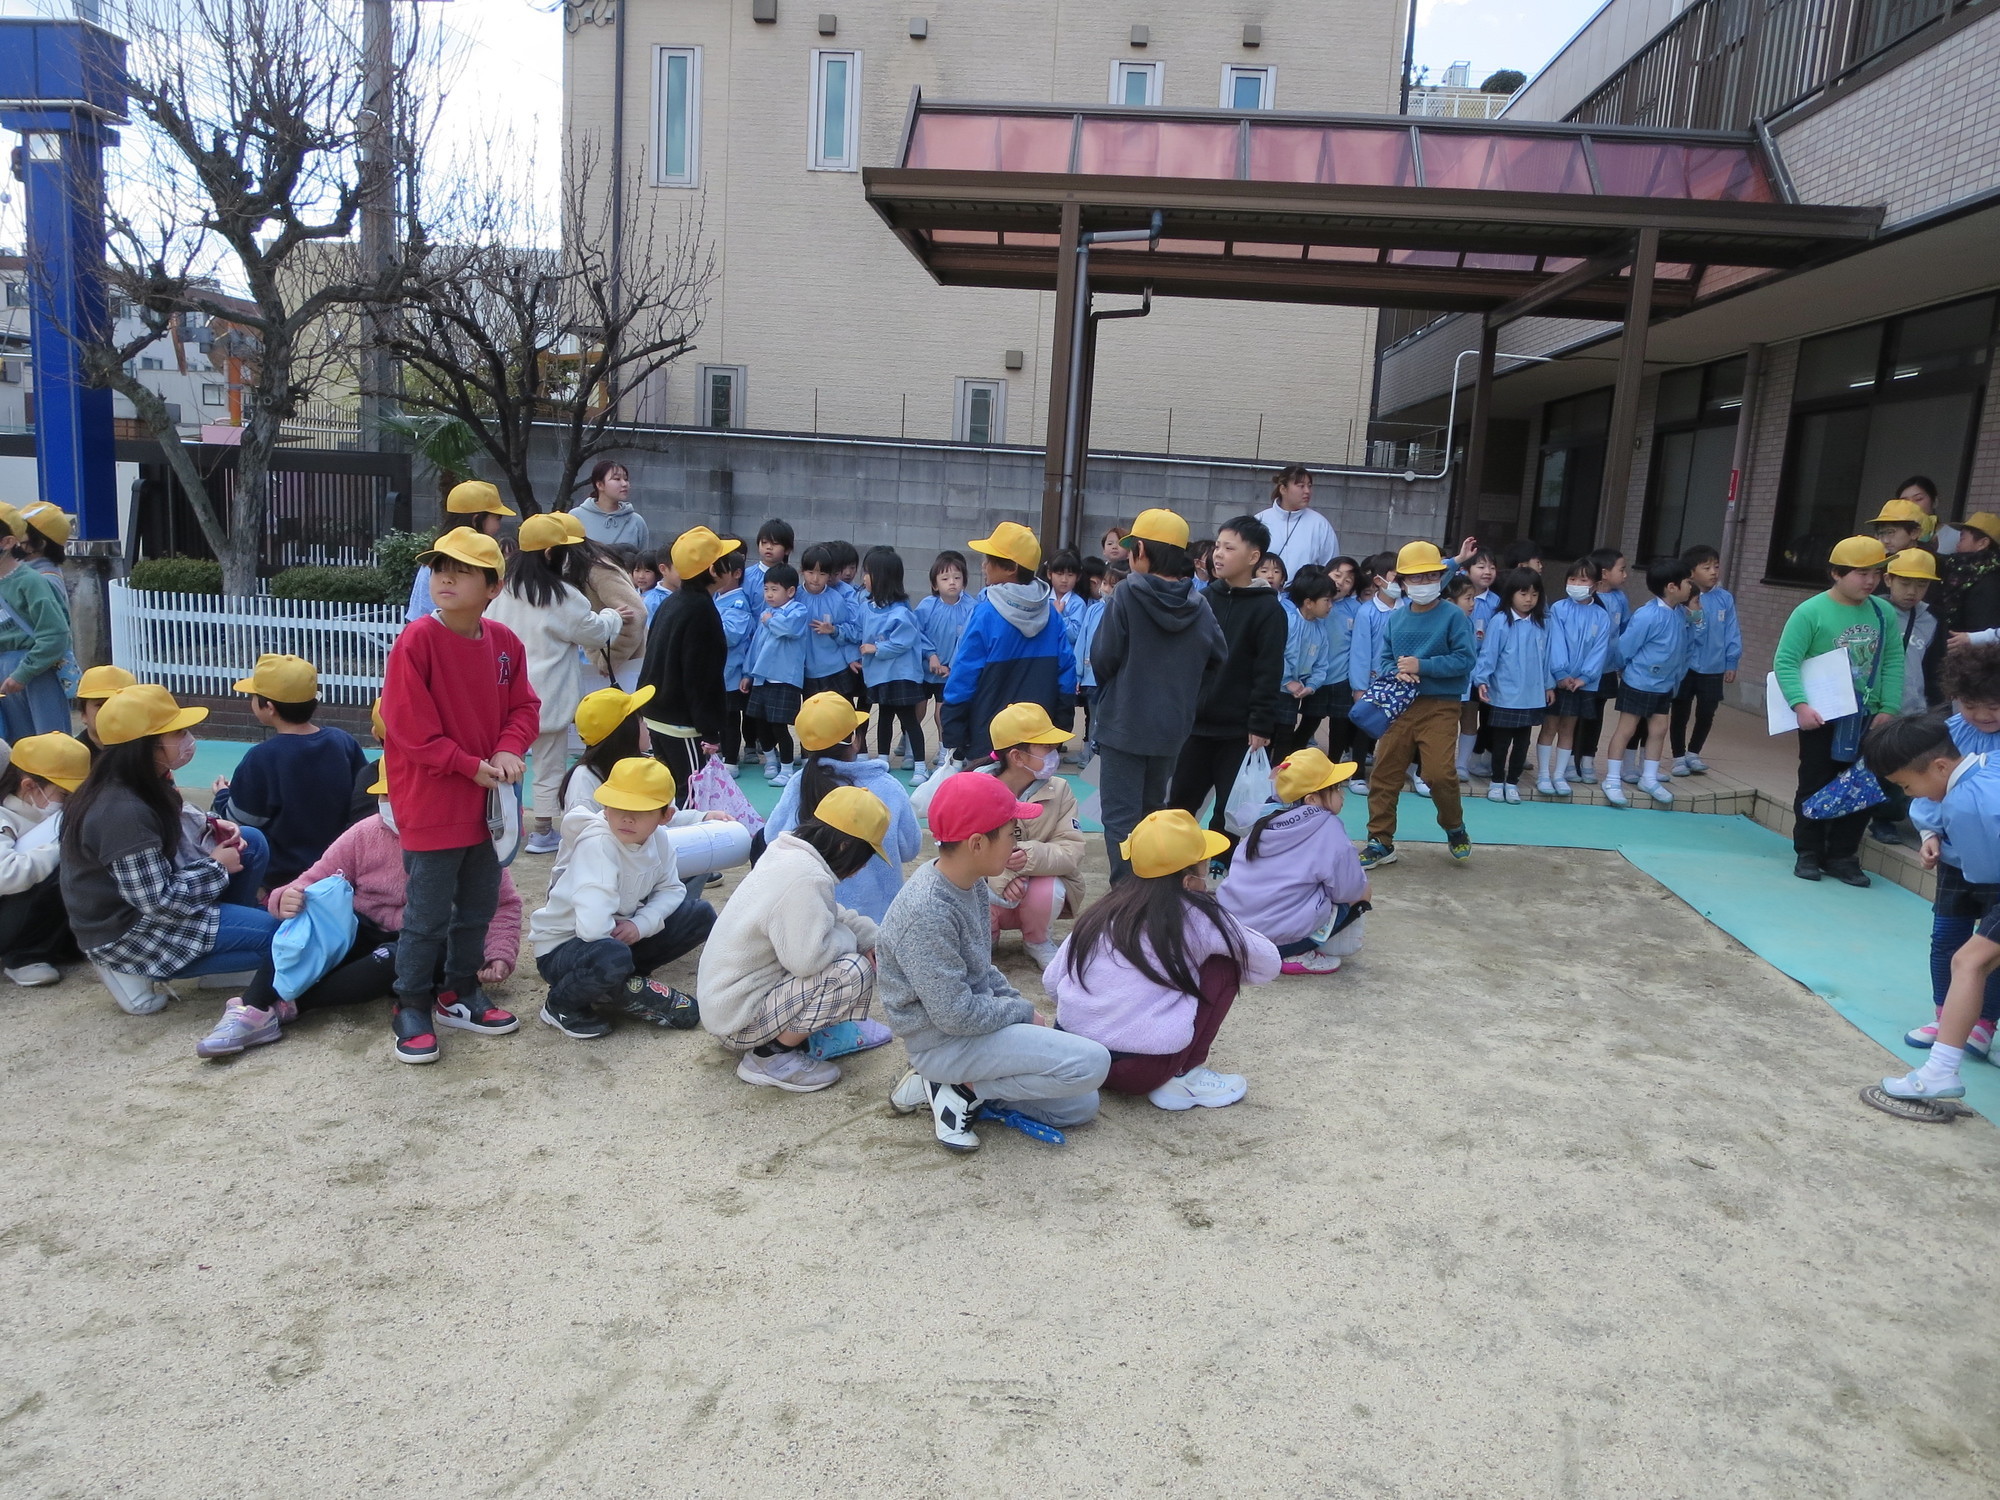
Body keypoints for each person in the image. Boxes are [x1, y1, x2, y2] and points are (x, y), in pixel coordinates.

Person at [194, 763, 526, 1060]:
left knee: (401, 956)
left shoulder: (467, 839)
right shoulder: (365, 833)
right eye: (386, 796)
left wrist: (498, 951)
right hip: (362, 927)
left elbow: (503, 903)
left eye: (402, 795)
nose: (392, 804)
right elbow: (313, 879)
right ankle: (251, 1007)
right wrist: (284, 897)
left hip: (426, 942)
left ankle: (294, 1004)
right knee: (302, 923)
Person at [881, 771, 1111, 1152]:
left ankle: (958, 1088)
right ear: (976, 843)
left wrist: (1018, 1009)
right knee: (1093, 1063)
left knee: (1080, 1104)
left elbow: (982, 968)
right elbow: (954, 1015)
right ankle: (959, 1087)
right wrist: (1021, 1013)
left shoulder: (969, 882)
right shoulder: (927, 911)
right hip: (944, 1044)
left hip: (972, 1031)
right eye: (1011, 833)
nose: (1017, 842)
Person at [379, 525, 540, 1063]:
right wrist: (468, 765)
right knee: (425, 914)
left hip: (489, 803)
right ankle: (410, 1002)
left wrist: (509, 748)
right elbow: (408, 727)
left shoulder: (505, 644)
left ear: (494, 587)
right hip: (432, 801)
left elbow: (525, 707)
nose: (445, 579)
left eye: (463, 571)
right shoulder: (417, 640)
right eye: (440, 569)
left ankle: (460, 991)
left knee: (477, 906)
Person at [60, 685, 278, 1016]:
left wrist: (214, 826)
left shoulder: (140, 781)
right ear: (145, 746)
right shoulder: (123, 812)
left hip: (149, 904)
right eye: (178, 732)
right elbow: (158, 901)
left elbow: (178, 826)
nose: (188, 739)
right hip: (130, 929)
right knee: (280, 937)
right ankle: (135, 968)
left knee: (251, 842)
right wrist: (217, 866)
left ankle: (224, 951)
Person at [1049, 807, 1273, 1111]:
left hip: (1074, 1055)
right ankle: (1184, 1074)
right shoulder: (1201, 915)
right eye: (1204, 865)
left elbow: (1052, 981)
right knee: (1224, 964)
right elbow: (1266, 962)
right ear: (1189, 881)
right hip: (1139, 1070)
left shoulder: (1102, 911)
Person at [696, 784, 888, 1093]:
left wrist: (871, 939)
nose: (863, 865)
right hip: (737, 1019)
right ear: (845, 846)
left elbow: (830, 913)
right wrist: (853, 943)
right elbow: (808, 959)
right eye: (865, 855)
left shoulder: (789, 854)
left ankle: (783, 1040)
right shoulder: (806, 877)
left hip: (727, 1004)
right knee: (852, 971)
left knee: (847, 955)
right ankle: (770, 1057)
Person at [529, 756, 713, 1039]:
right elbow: (592, 928)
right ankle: (560, 1005)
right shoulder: (598, 842)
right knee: (612, 956)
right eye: (617, 807)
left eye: (640, 810)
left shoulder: (659, 839)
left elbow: (671, 889)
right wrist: (620, 941)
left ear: (665, 816)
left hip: (617, 936)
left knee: (700, 915)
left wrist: (640, 925)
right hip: (565, 948)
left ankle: (617, 981)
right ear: (605, 807)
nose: (627, 818)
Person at [1866, 714, 2000, 1102]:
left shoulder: (1963, 804)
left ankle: (1940, 1071)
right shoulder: (1991, 764)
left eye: (1908, 785)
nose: (1911, 794)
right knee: (1971, 960)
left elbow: (1984, 874)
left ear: (1940, 766)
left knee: (1968, 962)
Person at [1090, 509, 1226, 881]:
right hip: (1171, 728)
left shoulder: (1127, 593)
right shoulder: (1198, 602)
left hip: (1124, 723)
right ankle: (1153, 897)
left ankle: (1127, 899)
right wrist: (1184, 689)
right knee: (1154, 814)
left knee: (1120, 819)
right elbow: (1218, 656)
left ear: (1141, 551)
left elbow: (1103, 658)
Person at [484, 513, 627, 854]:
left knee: (503, 762)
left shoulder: (502, 591)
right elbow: (593, 631)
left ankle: (502, 825)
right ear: (551, 553)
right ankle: (543, 831)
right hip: (548, 696)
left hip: (505, 694)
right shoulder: (561, 595)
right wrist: (614, 616)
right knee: (549, 765)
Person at [1773, 536, 1900, 885]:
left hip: (1868, 716)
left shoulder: (1883, 612)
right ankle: (1809, 852)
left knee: (1862, 786)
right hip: (1823, 715)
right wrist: (1800, 705)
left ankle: (1843, 856)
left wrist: (1889, 706)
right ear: (1836, 573)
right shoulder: (1810, 612)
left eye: (1876, 573)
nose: (1871, 581)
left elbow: (1893, 660)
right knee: (1815, 782)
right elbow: (1786, 661)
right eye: (1861, 573)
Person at [1169, 514, 1286, 857]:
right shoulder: (1203, 598)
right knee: (1179, 802)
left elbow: (1268, 670)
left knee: (1230, 809)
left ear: (1253, 557)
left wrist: (1260, 724)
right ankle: (1173, 863)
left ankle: (1224, 866)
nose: (1218, 554)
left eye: (1229, 548)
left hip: (1238, 730)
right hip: (1193, 724)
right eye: (1217, 546)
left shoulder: (1268, 610)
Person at [1360, 541, 1476, 870]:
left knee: (1439, 773)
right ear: (1403, 581)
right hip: (1399, 704)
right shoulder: (1396, 619)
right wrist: (1395, 671)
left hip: (1441, 705)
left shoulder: (1454, 616)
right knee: (1384, 773)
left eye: (1431, 576)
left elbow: (1465, 660)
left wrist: (1421, 666)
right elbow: (1384, 658)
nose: (1424, 583)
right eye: (1416, 577)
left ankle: (1454, 826)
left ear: (1440, 577)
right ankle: (1380, 840)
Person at [208, 654, 368, 887]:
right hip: (339, 870)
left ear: (269, 707)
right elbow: (361, 799)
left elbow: (240, 822)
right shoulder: (343, 741)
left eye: (254, 696)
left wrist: (223, 795)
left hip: (282, 878)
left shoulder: (262, 757)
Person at [764, 691, 922, 922]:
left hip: (819, 917)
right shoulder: (888, 786)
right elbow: (910, 848)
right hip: (880, 920)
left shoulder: (799, 783)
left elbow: (771, 837)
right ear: (855, 739)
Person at [1218, 748, 1367, 977]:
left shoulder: (1264, 819)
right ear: (1312, 800)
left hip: (1236, 934)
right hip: (1279, 943)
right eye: (1335, 788)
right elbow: (1347, 891)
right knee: (1362, 892)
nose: (1342, 794)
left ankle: (1273, 949)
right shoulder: (1329, 828)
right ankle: (1296, 953)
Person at [941, 522, 1076, 763]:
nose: (984, 566)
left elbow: (964, 675)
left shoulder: (985, 614)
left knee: (986, 787)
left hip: (989, 738)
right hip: (1037, 738)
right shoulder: (1052, 616)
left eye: (990, 560)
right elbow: (1066, 675)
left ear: (1011, 568)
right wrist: (1061, 723)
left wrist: (954, 732)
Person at [970, 701, 1085, 969]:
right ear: (1017, 757)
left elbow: (1072, 848)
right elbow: (957, 852)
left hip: (1032, 890)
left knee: (1050, 887)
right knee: (971, 888)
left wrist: (1027, 857)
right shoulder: (975, 789)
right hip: (990, 893)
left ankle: (1037, 939)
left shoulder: (1060, 789)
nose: (1054, 754)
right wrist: (998, 875)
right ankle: (985, 938)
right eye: (1046, 747)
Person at [637, 526, 740, 793]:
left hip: (657, 712)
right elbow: (701, 678)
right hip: (681, 722)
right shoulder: (702, 611)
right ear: (714, 570)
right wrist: (710, 731)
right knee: (692, 792)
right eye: (725, 561)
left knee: (669, 792)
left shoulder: (672, 601)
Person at [1600, 558, 1694, 809]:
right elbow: (1626, 646)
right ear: (1672, 587)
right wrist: (1622, 668)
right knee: (1626, 729)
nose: (1691, 587)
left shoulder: (1679, 613)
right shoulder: (1647, 615)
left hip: (1664, 684)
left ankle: (1649, 778)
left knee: (1659, 729)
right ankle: (1612, 779)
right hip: (1639, 681)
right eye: (1687, 582)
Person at [0, 731, 87, 987]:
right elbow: (6, 875)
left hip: (32, 918)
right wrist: (59, 847)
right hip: (8, 919)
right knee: (59, 868)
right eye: (64, 794)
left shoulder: (41, 814)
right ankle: (23, 957)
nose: (69, 802)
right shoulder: (5, 818)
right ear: (29, 785)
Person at [1473, 566, 1554, 803]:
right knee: (1501, 742)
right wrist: (1481, 679)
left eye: (1534, 594)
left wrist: (1548, 685)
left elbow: (1547, 658)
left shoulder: (1542, 623)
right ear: (1511, 594)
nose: (1529, 599)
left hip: (1531, 695)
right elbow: (1489, 654)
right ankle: (1497, 781)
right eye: (1523, 593)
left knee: (1522, 742)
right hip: (1505, 693)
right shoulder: (1500, 621)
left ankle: (1513, 782)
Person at [1539, 557, 1612, 798]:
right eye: (1572, 579)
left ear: (1595, 585)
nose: (1576, 584)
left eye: (1583, 580)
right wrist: (1560, 674)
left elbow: (1600, 650)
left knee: (1568, 728)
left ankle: (1559, 775)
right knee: (1549, 726)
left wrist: (1585, 677)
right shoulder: (1558, 609)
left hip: (1582, 685)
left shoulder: (1601, 616)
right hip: (1557, 680)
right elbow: (1554, 643)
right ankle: (1543, 774)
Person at [855, 546, 930, 776]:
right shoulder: (866, 608)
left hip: (901, 675)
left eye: (868, 573)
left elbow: (903, 642)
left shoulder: (900, 612)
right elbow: (856, 630)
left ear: (883, 578)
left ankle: (920, 766)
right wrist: (835, 631)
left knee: (909, 720)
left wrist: (875, 648)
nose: (864, 578)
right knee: (884, 717)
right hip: (880, 676)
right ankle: (883, 762)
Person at [0, 504, 72, 739]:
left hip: (35, 670)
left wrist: (24, 672)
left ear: (8, 542)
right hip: (9, 671)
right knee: (18, 747)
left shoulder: (34, 581)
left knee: (50, 744)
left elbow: (56, 635)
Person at [1669, 544, 1741, 778]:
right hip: (1686, 667)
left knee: (1707, 712)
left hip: (1714, 666)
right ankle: (1678, 757)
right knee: (1680, 711)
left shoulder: (1724, 598)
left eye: (1716, 567)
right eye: (1707, 567)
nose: (1713, 572)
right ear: (1691, 572)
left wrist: (1731, 661)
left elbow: (1732, 631)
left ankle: (1693, 753)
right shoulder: (1683, 597)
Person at [404, 480, 517, 623]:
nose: (446, 578)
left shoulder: (437, 555)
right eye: (497, 518)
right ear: (477, 519)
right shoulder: (439, 556)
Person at [1346, 551, 1405, 789]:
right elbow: (1360, 652)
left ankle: (1390, 773)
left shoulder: (1409, 607)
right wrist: (1359, 687)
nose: (1400, 583)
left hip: (1402, 680)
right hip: (1374, 680)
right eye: (1395, 577)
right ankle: (1357, 774)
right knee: (1364, 728)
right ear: (1379, 581)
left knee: (1398, 730)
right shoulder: (1366, 612)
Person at [562, 532, 649, 694]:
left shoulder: (597, 569)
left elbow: (635, 614)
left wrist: (610, 659)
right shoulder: (582, 567)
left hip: (620, 669)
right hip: (598, 664)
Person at [1572, 547, 1631, 784]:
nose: (1625, 575)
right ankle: (1572, 759)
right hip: (1583, 671)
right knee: (1578, 716)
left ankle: (1588, 759)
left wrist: (1622, 661)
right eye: (1621, 569)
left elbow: (1625, 630)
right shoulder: (1588, 600)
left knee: (1596, 715)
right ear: (1604, 574)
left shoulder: (1620, 598)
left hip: (1606, 670)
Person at [746, 562, 807, 786]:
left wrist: (770, 621)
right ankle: (771, 760)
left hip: (784, 679)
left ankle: (787, 768)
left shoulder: (798, 610)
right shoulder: (766, 613)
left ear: (790, 591)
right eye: (766, 589)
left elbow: (789, 629)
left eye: (774, 589)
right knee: (760, 723)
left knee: (779, 725)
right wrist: (748, 673)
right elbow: (755, 645)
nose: (769, 594)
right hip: (761, 677)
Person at [915, 549, 975, 776]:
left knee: (943, 714)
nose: (952, 582)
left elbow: (969, 641)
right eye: (945, 578)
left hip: (951, 673)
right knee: (917, 710)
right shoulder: (926, 606)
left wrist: (954, 666)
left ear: (964, 581)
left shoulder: (971, 607)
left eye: (957, 577)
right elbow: (917, 634)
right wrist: (931, 655)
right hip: (925, 670)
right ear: (935, 583)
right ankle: (912, 747)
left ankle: (944, 753)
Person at [1275, 565, 1336, 758]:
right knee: (1268, 736)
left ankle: (1279, 772)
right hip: (1275, 689)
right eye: (1327, 600)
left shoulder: (1320, 630)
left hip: (1294, 693)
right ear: (1309, 602)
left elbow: (1321, 664)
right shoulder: (1289, 621)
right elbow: (1276, 654)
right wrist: (1287, 681)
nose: (1331, 605)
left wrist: (1311, 685)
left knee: (1284, 737)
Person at [795, 542, 861, 702]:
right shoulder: (795, 596)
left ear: (830, 575)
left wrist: (834, 630)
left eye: (822, 574)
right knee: (813, 713)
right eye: (810, 572)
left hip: (835, 668)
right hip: (806, 670)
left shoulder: (836, 599)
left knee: (841, 712)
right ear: (802, 571)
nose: (815, 579)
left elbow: (853, 629)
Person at [1255, 463, 1339, 579]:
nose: (1307, 491)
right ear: (1283, 489)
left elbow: (1331, 566)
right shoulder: (1260, 520)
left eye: (1309, 486)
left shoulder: (1320, 524)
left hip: (1305, 590)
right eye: (1301, 486)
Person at [715, 554, 759, 767]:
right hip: (720, 671)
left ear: (737, 574)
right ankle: (725, 756)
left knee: (730, 718)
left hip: (732, 671)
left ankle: (731, 760)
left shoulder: (738, 602)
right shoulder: (717, 596)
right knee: (721, 717)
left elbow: (731, 636)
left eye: (720, 571)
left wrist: (704, 625)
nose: (714, 575)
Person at [1069, 557, 1109, 767]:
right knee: (1091, 717)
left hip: (1109, 677)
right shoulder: (1093, 609)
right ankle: (1089, 755)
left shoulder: (1122, 611)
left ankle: (1097, 759)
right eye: (1105, 583)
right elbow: (1082, 641)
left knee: (1103, 719)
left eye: (1113, 585)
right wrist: (1078, 673)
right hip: (1090, 676)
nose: (1107, 588)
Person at [571, 458, 649, 553]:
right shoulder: (576, 517)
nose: (624, 484)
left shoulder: (637, 521)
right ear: (600, 485)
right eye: (617, 479)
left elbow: (642, 559)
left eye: (626, 479)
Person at [74, 663, 137, 755]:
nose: (109, 711)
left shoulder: (147, 752)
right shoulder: (72, 755)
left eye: (118, 704)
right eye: (100, 705)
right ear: (84, 714)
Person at [1898, 474, 1956, 553]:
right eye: (1904, 501)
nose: (1911, 505)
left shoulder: (1956, 537)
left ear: (1935, 502)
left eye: (1918, 499)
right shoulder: (1889, 538)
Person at [741, 517, 794, 604]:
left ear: (787, 550)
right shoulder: (747, 576)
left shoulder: (790, 576)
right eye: (764, 542)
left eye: (775, 543)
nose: (769, 547)